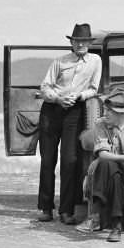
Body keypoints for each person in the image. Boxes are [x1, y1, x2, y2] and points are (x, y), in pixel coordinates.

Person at [37, 23, 101, 224]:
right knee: (48, 160)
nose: (81, 44)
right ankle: (46, 208)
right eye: (77, 41)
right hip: (52, 110)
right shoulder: (59, 61)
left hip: (74, 111)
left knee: (70, 161)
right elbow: (45, 86)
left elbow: (94, 88)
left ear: (89, 43)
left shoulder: (95, 61)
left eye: (84, 41)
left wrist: (79, 96)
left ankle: (66, 211)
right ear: (72, 43)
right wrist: (57, 99)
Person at [76, 90, 124, 242]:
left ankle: (95, 215)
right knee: (111, 170)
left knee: (108, 164)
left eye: (109, 111)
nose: (105, 113)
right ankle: (116, 226)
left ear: (121, 114)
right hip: (111, 171)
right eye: (105, 109)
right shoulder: (100, 124)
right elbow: (102, 154)